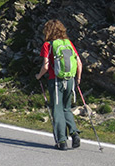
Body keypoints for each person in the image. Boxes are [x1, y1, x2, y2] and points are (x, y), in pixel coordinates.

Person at [35, 19, 82, 150]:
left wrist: (38, 76)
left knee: (57, 109)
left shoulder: (48, 45)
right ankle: (74, 133)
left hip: (55, 80)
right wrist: (78, 79)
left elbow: (46, 66)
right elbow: (79, 63)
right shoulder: (68, 43)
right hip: (70, 79)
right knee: (66, 108)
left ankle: (61, 141)